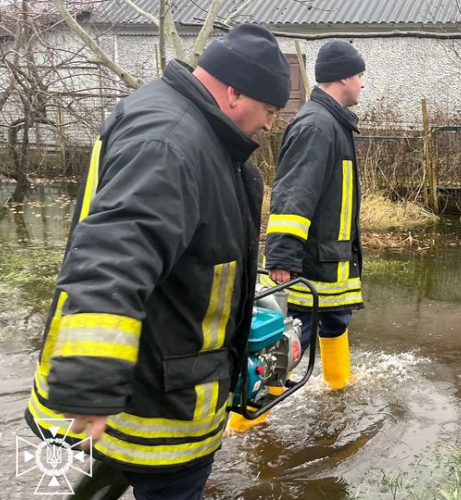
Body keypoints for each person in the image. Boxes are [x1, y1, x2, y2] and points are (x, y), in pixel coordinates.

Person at [23, 24, 290, 499]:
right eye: (269, 110)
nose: (270, 124)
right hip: (158, 396)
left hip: (159, 377)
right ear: (234, 91)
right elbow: (114, 258)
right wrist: (91, 382)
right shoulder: (171, 141)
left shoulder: (192, 131)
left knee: (118, 468)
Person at [264, 40, 366, 391]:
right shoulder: (316, 127)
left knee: (336, 320)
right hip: (308, 264)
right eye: (359, 75)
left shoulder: (332, 123)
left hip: (332, 261)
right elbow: (292, 197)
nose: (363, 83)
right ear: (342, 78)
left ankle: (339, 390)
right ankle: (247, 425)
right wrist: (282, 257)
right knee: (289, 343)